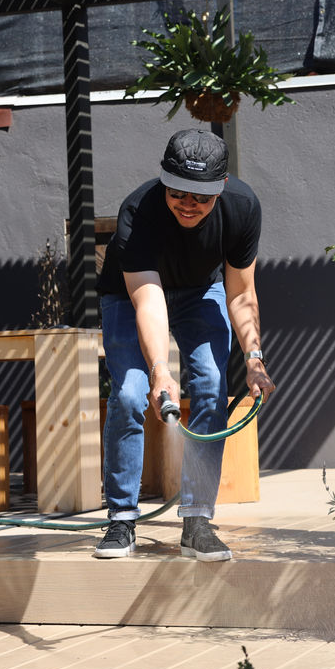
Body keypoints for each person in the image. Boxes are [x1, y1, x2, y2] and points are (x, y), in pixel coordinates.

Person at [94, 129, 275, 561]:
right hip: (131, 294)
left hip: (201, 289)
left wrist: (254, 358)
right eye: (178, 193)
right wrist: (160, 369)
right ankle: (121, 520)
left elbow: (241, 293)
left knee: (212, 382)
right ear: (163, 180)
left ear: (221, 188)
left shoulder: (242, 208)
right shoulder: (138, 211)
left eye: (201, 197)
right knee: (131, 392)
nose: (188, 205)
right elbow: (148, 299)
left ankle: (197, 522)